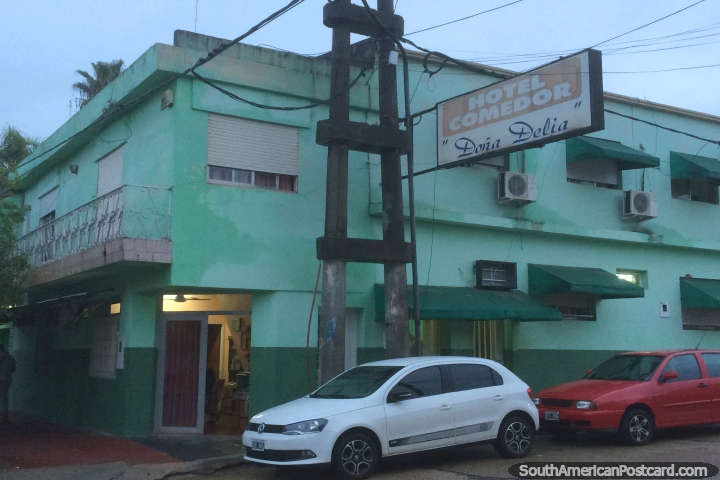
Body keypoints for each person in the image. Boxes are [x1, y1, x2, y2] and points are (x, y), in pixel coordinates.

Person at [0, 344, 17, 425]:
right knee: (3, 397)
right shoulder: (10, 357)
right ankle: (4, 416)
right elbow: (13, 368)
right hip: (7, 378)